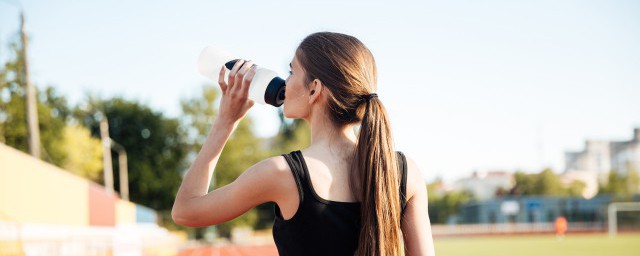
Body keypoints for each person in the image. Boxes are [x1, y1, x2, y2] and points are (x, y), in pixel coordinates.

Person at [172, 32, 435, 256]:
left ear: (314, 90)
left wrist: (225, 122)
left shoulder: (282, 174)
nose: (285, 81)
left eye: (291, 71)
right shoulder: (406, 172)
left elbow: (185, 212)